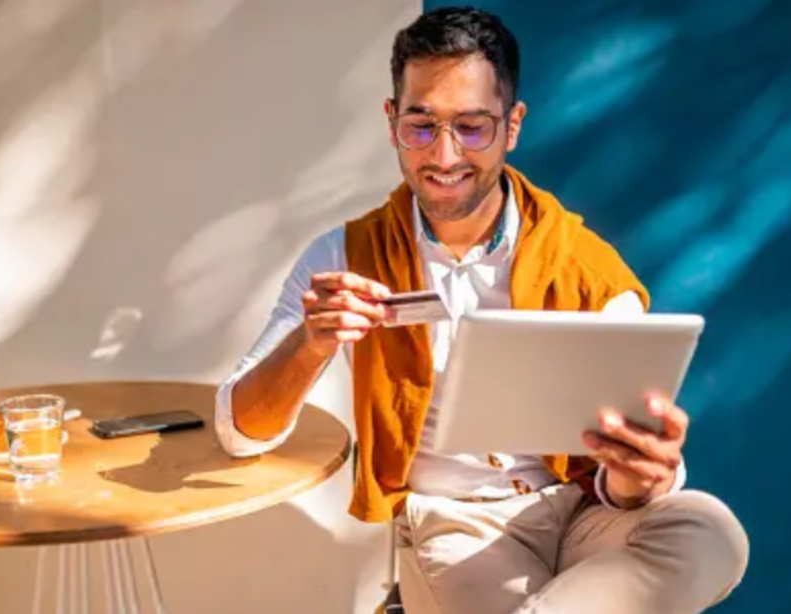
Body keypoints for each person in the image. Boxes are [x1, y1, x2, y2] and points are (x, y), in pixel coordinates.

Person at [215, 6, 748, 614]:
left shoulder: (586, 270)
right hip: (456, 525)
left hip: (583, 513)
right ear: (392, 123)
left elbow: (624, 488)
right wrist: (310, 343)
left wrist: (639, 480)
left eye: (472, 127)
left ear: (512, 125)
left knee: (710, 532)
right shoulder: (345, 256)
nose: (443, 156)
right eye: (422, 126)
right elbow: (239, 433)